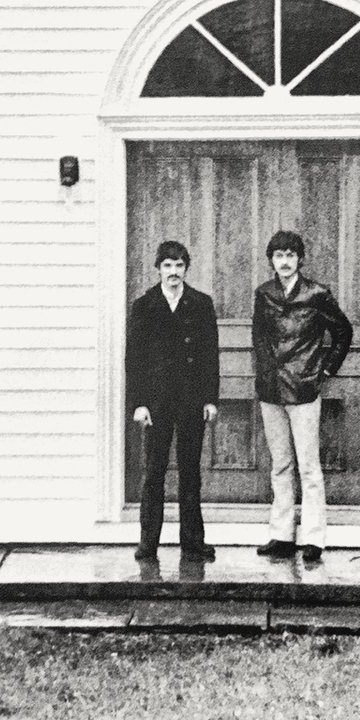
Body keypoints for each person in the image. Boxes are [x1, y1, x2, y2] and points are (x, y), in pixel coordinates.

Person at [253, 231, 353, 562]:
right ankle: (281, 534)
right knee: (280, 464)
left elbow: (343, 332)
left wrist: (325, 370)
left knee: (309, 466)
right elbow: (259, 338)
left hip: (304, 388)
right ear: (272, 260)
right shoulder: (264, 294)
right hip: (271, 390)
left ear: (299, 259)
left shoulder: (317, 294)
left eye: (290, 255)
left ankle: (313, 538)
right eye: (278, 255)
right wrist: (265, 371)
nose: (284, 261)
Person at [126, 240, 220, 562]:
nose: (173, 272)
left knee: (190, 472)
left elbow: (210, 356)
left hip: (192, 401)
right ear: (158, 269)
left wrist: (210, 398)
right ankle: (147, 543)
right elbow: (134, 359)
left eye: (179, 265)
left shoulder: (201, 304)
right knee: (154, 472)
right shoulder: (144, 306)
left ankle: (193, 543)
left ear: (186, 269)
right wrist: (138, 403)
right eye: (167, 265)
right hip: (156, 404)